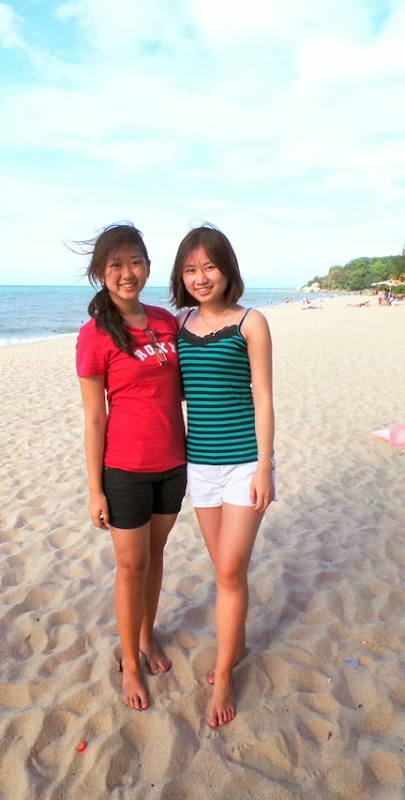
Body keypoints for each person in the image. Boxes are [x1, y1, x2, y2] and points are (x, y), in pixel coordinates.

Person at [76, 222, 186, 711]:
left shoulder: (164, 321)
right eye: (116, 265)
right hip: (124, 468)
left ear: (148, 266)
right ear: (101, 273)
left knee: (155, 555)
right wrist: (94, 489)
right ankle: (129, 661)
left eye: (135, 262)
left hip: (173, 461)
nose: (127, 273)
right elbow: (94, 418)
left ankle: (146, 635)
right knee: (129, 565)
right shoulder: (94, 334)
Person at [170, 224, 275, 728]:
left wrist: (265, 466)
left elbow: (263, 397)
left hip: (244, 464)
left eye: (209, 266)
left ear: (227, 269)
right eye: (191, 269)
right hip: (200, 466)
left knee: (230, 570)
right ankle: (240, 642)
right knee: (224, 569)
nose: (201, 277)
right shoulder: (178, 324)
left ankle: (225, 673)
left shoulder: (251, 323)